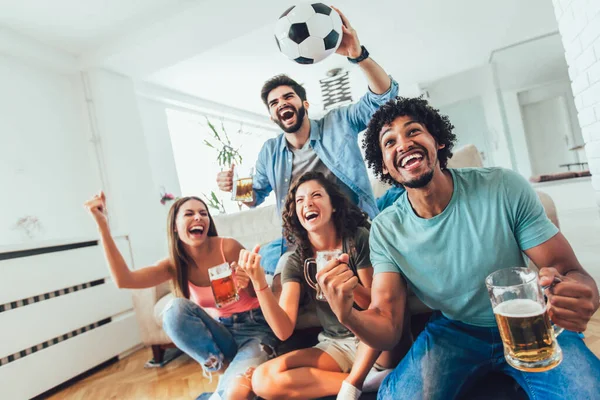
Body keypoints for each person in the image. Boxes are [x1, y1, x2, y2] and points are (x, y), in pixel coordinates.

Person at [317, 97, 600, 399]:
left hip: (527, 321)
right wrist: (348, 315)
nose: (403, 144)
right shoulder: (387, 230)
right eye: (389, 142)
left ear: (437, 141)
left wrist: (581, 293)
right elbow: (388, 328)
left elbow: (570, 272)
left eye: (413, 131)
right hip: (455, 331)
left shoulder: (503, 187)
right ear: (385, 165)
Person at [83, 192, 277, 400]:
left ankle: (232, 382)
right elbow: (125, 280)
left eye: (203, 213)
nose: (198, 217)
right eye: (189, 213)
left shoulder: (227, 247)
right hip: (222, 333)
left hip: (255, 327)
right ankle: (224, 369)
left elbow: (256, 292)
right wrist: (102, 226)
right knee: (174, 310)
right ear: (175, 226)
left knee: (235, 395)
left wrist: (247, 281)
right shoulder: (174, 265)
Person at [234, 172, 407, 399]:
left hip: (374, 342)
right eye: (300, 200)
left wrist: (347, 285)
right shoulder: (296, 260)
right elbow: (283, 329)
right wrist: (258, 283)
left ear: (333, 205)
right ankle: (367, 382)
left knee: (382, 328)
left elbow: (380, 309)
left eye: (316, 195)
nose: (308, 203)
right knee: (263, 379)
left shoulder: (358, 239)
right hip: (337, 345)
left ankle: (358, 380)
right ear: (296, 213)